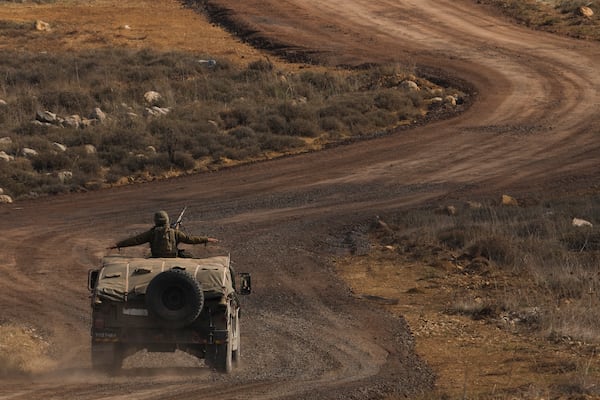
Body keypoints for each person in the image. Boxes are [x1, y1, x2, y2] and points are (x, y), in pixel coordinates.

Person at [111, 210, 218, 258]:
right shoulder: (175, 232)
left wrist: (118, 244)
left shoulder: (151, 233)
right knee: (189, 256)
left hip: (156, 256)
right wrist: (206, 239)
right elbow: (190, 239)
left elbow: (136, 240)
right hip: (173, 256)